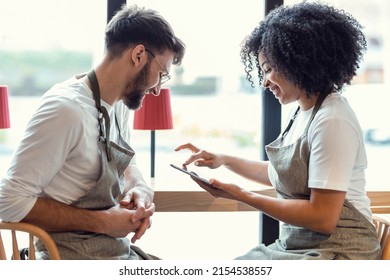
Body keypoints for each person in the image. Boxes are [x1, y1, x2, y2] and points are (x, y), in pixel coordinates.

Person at [175, 2, 380, 260]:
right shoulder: (305, 112)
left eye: (269, 69)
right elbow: (281, 174)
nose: (264, 82)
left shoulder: (332, 120)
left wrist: (243, 196)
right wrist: (224, 160)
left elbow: (323, 218)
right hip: (301, 248)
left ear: (298, 61)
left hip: (339, 253)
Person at [0, 4, 185, 260]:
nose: (156, 89)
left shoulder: (119, 102)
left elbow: (126, 160)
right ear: (139, 55)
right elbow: (8, 202)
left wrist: (139, 186)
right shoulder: (66, 110)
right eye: (161, 74)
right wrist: (103, 222)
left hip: (113, 253)